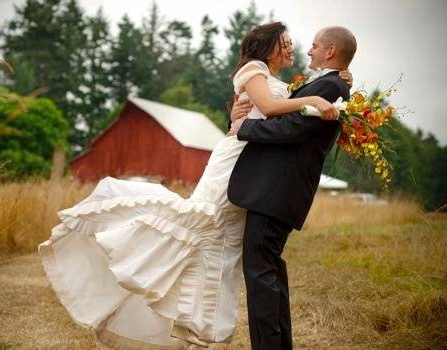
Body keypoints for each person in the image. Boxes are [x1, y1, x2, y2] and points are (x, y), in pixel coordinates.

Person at [38, 22, 353, 349]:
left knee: (222, 245)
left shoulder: (289, 83)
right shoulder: (253, 68)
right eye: (285, 42)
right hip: (238, 161)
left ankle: (200, 328)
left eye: (301, 43)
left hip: (256, 168)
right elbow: (272, 109)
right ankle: (133, 260)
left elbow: (285, 112)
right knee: (201, 226)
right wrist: (314, 100)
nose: (295, 48)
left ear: (330, 52)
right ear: (269, 45)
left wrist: (335, 82)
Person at [227, 26, 357, 350]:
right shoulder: (330, 83)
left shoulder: (331, 85)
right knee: (269, 270)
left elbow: (290, 129)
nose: (307, 51)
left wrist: (245, 128)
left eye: (314, 46)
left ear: (329, 52)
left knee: (260, 275)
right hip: (277, 191)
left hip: (275, 191)